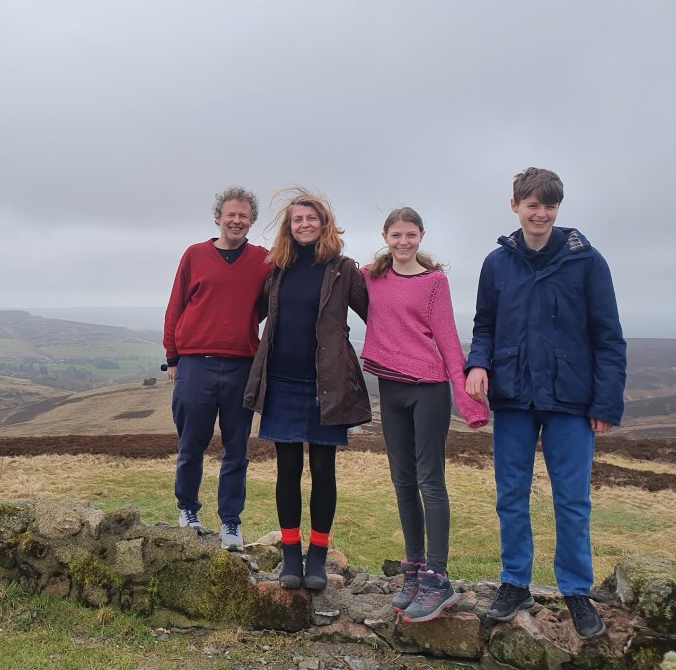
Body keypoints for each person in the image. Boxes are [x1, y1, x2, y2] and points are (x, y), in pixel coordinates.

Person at [464, 168, 626, 639]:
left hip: (572, 400)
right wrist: (479, 363)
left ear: (558, 208)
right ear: (514, 205)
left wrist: (606, 402)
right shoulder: (497, 262)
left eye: (549, 205)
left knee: (572, 500)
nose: (541, 213)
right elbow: (485, 325)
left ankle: (576, 591)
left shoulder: (588, 261)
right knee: (510, 496)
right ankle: (515, 583)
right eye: (532, 204)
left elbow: (608, 337)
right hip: (514, 396)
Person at [360, 207, 489, 623]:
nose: (403, 241)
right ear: (385, 235)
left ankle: (438, 577)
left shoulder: (434, 283)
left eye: (410, 235)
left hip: (429, 390)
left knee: (429, 479)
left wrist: (468, 400)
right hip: (390, 388)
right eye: (396, 234)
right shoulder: (370, 277)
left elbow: (449, 340)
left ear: (421, 236)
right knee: (401, 480)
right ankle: (413, 569)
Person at [243, 189, 370, 592]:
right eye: (298, 219)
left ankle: (317, 554)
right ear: (289, 226)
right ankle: (290, 553)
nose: (304, 225)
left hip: (326, 385)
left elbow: (379, 312)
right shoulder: (276, 267)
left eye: (311, 219)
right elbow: (250, 310)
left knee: (322, 469)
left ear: (324, 224)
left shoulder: (342, 269)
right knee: (287, 470)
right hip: (281, 380)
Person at [164, 185, 272, 551]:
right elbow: (175, 306)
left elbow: (275, 299)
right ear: (219, 218)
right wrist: (173, 357)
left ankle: (230, 522)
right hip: (194, 364)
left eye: (244, 216)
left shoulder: (264, 260)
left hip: (241, 366)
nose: (237, 221)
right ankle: (187, 511)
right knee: (190, 445)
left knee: (236, 449)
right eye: (231, 215)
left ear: (251, 220)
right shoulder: (194, 255)